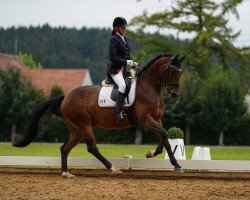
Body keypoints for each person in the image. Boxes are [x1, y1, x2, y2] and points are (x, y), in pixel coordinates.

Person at [106, 16, 138, 122]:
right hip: (114, 71)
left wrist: (132, 63)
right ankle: (118, 113)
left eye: (125, 27)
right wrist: (126, 62)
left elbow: (126, 56)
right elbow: (113, 57)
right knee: (122, 85)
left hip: (122, 70)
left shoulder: (124, 39)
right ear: (116, 28)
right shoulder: (114, 39)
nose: (124, 29)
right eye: (122, 27)